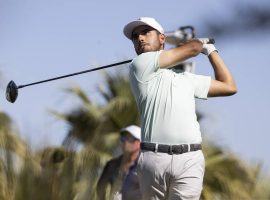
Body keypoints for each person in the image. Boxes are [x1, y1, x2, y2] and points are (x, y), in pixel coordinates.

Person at [123, 17, 237, 200]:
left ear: (162, 38)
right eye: (135, 37)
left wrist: (211, 51)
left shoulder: (186, 78)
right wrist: (201, 43)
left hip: (190, 159)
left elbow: (229, 86)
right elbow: (192, 49)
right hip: (154, 158)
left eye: (145, 32)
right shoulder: (140, 65)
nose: (140, 39)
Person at [96, 125, 142, 200]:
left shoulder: (145, 167)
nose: (125, 142)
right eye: (123, 138)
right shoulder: (111, 164)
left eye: (130, 139)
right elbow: (100, 187)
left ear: (140, 143)